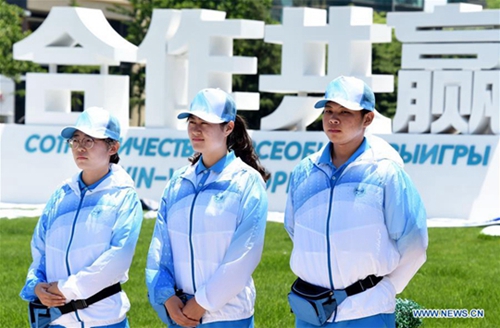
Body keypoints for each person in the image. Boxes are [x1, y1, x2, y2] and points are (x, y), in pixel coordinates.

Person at [284, 76, 428, 328]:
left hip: (367, 313)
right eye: (328, 110)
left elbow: (414, 241)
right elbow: (295, 230)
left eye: (345, 112)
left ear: (368, 119)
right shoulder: (304, 172)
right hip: (311, 311)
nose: (333, 119)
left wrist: (386, 288)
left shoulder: (384, 172)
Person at [146, 88, 269, 328]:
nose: (196, 129)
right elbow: (160, 248)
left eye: (206, 122)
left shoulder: (247, 181)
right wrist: (167, 298)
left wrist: (201, 303)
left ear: (228, 127)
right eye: (192, 121)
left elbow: (244, 255)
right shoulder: (179, 181)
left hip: (228, 317)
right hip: (179, 314)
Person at [20, 107, 144, 328]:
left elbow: (118, 258)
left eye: (89, 140)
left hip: (104, 320)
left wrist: (66, 289)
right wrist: (36, 285)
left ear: (113, 147)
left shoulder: (123, 196)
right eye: (75, 140)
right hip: (55, 319)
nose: (79, 147)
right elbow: (39, 248)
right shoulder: (61, 194)